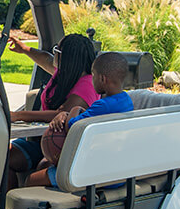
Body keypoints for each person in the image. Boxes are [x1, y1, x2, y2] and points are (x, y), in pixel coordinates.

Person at [26, 51, 134, 188]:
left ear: (102, 79)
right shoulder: (126, 101)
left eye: (93, 75)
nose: (92, 79)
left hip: (91, 171)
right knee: (43, 164)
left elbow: (72, 127)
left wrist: (71, 111)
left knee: (30, 180)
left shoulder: (103, 105)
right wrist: (75, 112)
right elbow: (87, 115)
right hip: (115, 170)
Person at [7, 33, 98, 180]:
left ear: (68, 58)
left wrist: (18, 115)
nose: (54, 53)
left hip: (58, 143)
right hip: (38, 137)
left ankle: (11, 200)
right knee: (1, 157)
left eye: (57, 50)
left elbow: (61, 113)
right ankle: (4, 201)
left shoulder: (87, 84)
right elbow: (46, 59)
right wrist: (24, 49)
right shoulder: (63, 73)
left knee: (7, 160)